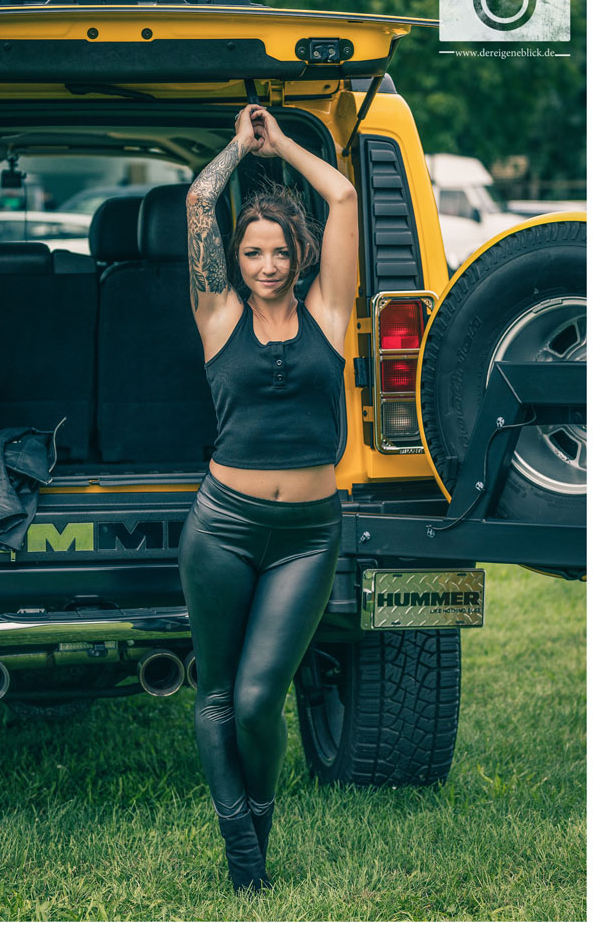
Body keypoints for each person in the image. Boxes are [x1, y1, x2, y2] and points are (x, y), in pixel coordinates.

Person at [178, 104, 358, 893]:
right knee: (218, 695)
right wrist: (234, 149)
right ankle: (244, 857)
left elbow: (342, 197)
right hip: (222, 526)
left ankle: (259, 826)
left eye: (280, 251)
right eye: (252, 251)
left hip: (308, 534)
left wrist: (281, 143)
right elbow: (198, 202)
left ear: (298, 254)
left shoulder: (329, 313)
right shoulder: (217, 315)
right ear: (236, 258)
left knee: (258, 699)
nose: (266, 264)